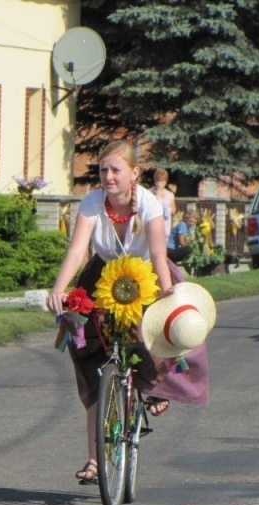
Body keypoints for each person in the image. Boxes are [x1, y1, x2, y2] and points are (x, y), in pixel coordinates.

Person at [46, 140, 211, 483]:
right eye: (103, 169)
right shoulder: (93, 203)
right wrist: (60, 288)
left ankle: (153, 388)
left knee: (155, 330)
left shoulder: (149, 205)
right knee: (85, 346)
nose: (108, 176)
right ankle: (94, 461)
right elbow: (78, 250)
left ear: (134, 173)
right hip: (103, 275)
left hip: (147, 274)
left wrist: (167, 293)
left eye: (116, 170)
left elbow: (156, 251)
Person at [150, 167, 177, 242]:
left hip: (165, 224)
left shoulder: (170, 194)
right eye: (158, 180)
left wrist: (167, 209)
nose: (160, 183)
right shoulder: (149, 192)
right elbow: (151, 207)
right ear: (155, 180)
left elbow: (174, 211)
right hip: (153, 224)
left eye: (163, 180)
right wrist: (158, 191)